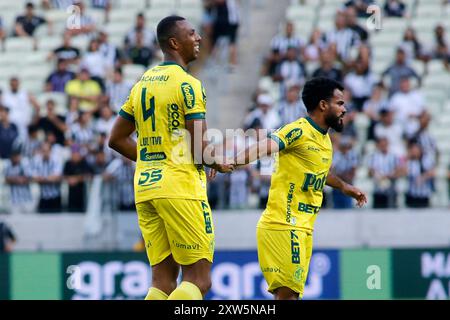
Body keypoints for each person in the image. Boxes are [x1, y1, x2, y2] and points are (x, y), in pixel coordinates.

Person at [108, 16, 233, 300]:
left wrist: (154, 160)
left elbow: (115, 139)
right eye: (192, 34)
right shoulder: (188, 85)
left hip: (146, 187)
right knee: (198, 280)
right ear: (175, 43)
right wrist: (219, 162)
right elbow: (199, 148)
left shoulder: (141, 84)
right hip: (180, 187)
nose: (199, 38)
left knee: (162, 283)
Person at [231, 77, 367, 300]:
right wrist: (232, 162)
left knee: (290, 297)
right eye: (340, 103)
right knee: (289, 297)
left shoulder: (324, 140)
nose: (345, 109)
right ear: (323, 105)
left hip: (303, 228)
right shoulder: (298, 130)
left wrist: (344, 186)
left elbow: (318, 173)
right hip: (284, 225)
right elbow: (266, 146)